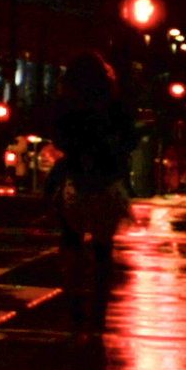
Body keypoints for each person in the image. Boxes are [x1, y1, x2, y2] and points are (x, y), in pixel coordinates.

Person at [45, 51, 135, 330]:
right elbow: (129, 138)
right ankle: (98, 308)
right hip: (107, 177)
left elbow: (58, 136)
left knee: (70, 237)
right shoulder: (114, 104)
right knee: (103, 248)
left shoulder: (67, 104)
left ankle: (73, 301)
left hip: (76, 176)